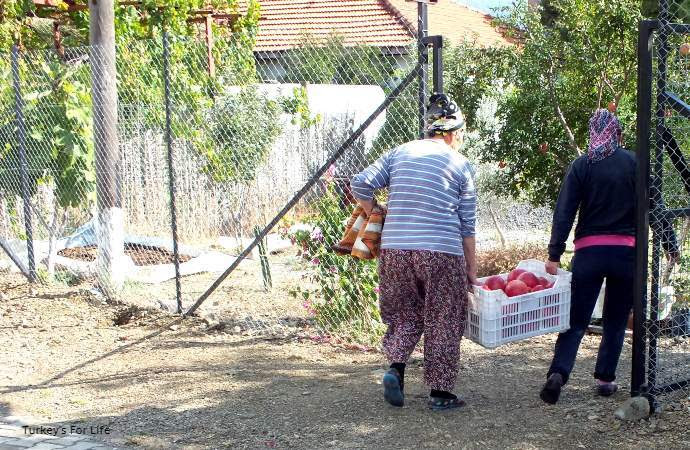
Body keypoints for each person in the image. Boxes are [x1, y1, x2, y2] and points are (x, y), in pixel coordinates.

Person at [540, 109, 679, 404]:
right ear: (618, 134)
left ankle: (558, 374)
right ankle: (605, 379)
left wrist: (554, 254)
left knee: (576, 321)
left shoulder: (582, 165)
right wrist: (671, 244)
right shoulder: (635, 163)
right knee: (616, 321)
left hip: (589, 254)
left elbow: (564, 212)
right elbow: (657, 206)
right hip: (627, 255)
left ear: (592, 134)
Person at [350, 93, 478, 411]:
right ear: (451, 133)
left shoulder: (399, 153)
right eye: (460, 134)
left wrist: (375, 208)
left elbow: (360, 183)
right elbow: (467, 226)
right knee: (444, 318)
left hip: (395, 250)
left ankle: (396, 370)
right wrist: (471, 271)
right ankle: (441, 394)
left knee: (405, 314)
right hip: (441, 252)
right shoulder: (460, 164)